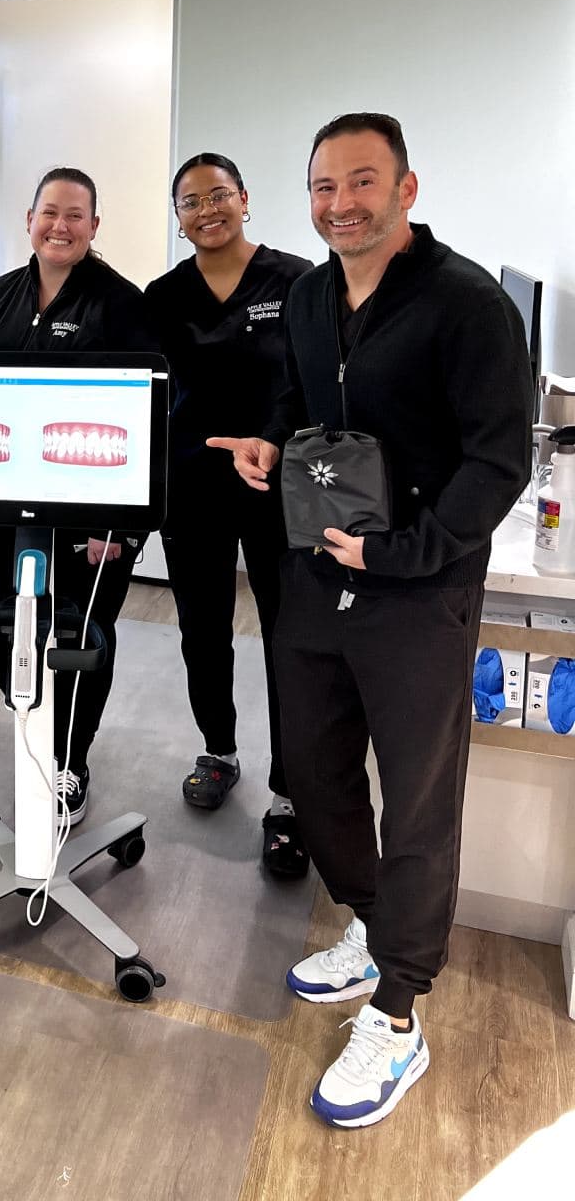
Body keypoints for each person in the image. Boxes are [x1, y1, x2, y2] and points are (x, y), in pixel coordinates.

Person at [210, 113, 532, 1128]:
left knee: (420, 800)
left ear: (405, 188)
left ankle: (397, 1013)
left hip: (418, 591)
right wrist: (270, 444)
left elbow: (499, 458)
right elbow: (300, 398)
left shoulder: (468, 305)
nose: (340, 203)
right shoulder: (312, 294)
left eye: (361, 181)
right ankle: (370, 920)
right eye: (324, 185)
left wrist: (409, 550)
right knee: (311, 773)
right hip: (318, 572)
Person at [143, 155, 312, 876]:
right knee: (202, 629)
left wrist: (271, 440)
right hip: (193, 484)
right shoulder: (163, 295)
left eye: (218, 196)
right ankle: (219, 750)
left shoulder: (296, 280)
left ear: (244, 199)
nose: (206, 210)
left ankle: (290, 793)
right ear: (178, 217)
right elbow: (149, 392)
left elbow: (307, 379)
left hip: (275, 479)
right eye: (190, 202)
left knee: (287, 636)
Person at [0, 168, 158, 825]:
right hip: (8, 511)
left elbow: (148, 420)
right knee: (2, 629)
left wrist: (125, 529)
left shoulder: (122, 304)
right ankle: (34, 735)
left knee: (81, 640)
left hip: (91, 518)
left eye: (75, 215)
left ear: (94, 226)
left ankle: (70, 761)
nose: (60, 226)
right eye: (49, 212)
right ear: (29, 220)